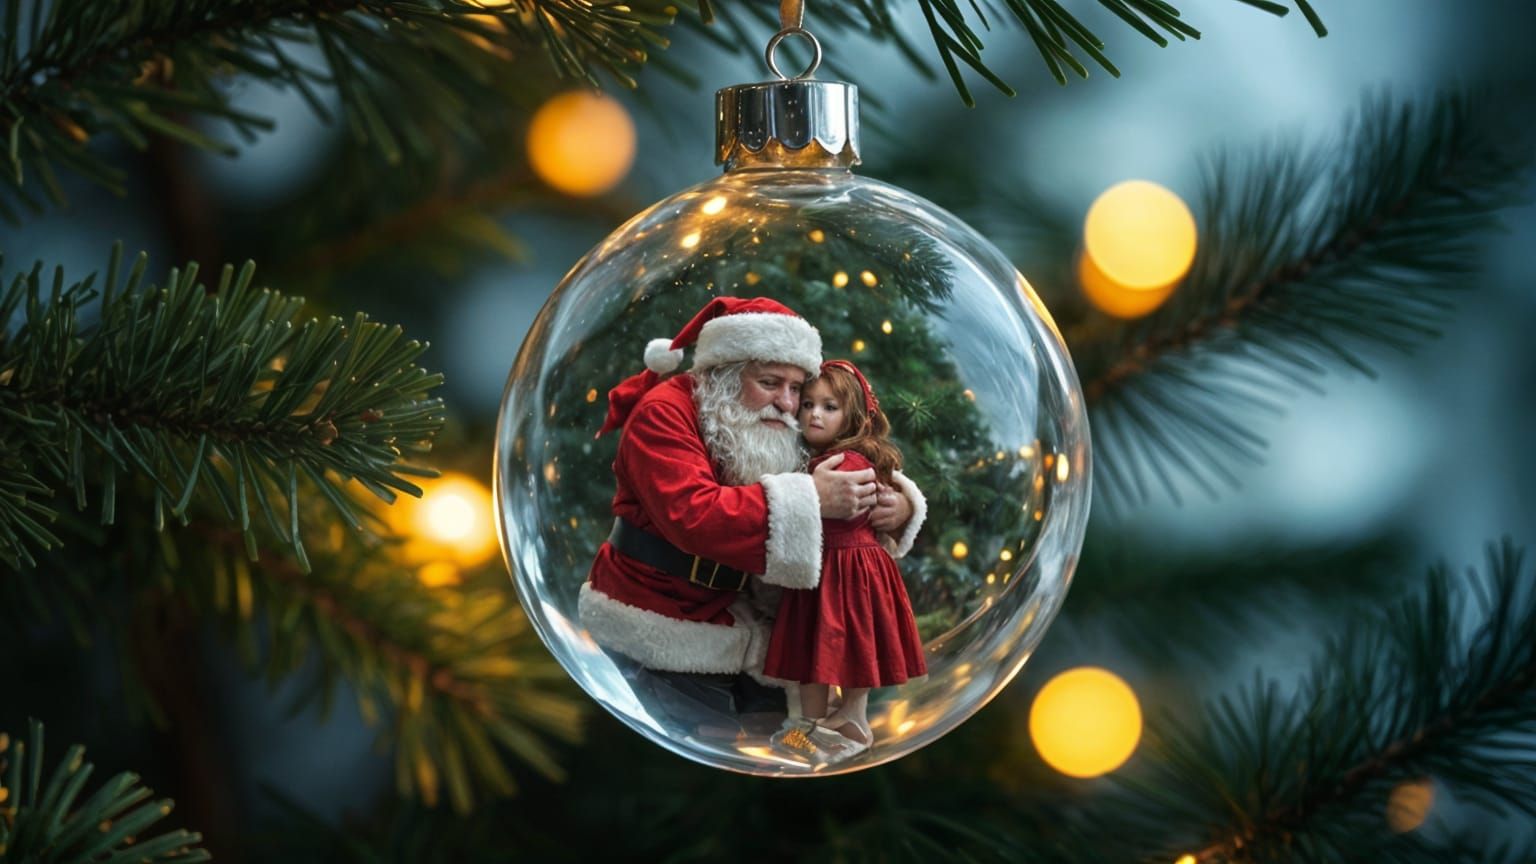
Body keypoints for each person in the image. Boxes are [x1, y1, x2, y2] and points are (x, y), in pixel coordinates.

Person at [578, 297, 926, 717]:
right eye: (770, 382)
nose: (787, 402)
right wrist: (813, 498)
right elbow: (695, 515)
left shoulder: (763, 417)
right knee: (711, 739)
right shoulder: (663, 413)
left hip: (744, 618)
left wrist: (898, 504)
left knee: (786, 735)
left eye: (796, 388)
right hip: (659, 615)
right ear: (725, 373)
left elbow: (838, 448)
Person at [764, 360, 928, 762]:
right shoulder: (818, 459)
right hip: (824, 568)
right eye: (807, 405)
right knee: (814, 649)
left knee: (844, 646)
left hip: (849, 569)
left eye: (829, 407)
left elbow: (848, 504)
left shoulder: (841, 463)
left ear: (852, 415)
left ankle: (847, 720)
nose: (814, 414)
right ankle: (813, 725)